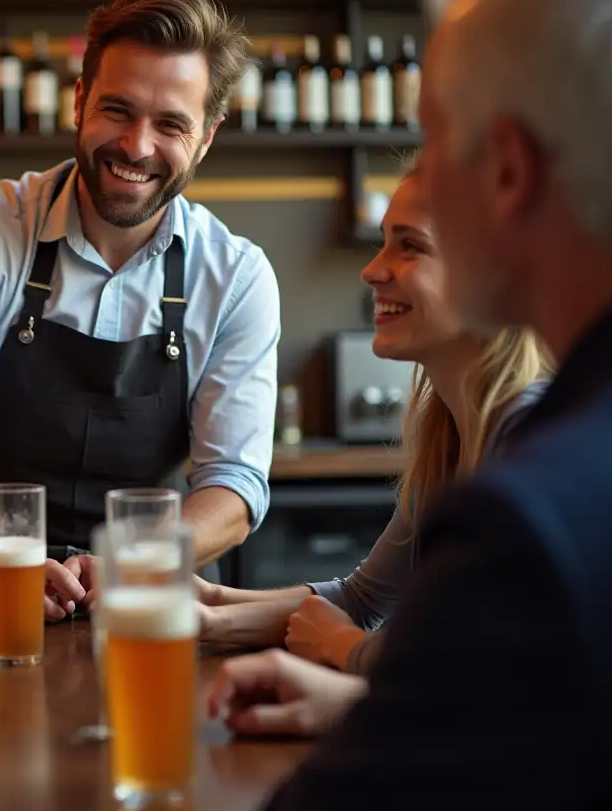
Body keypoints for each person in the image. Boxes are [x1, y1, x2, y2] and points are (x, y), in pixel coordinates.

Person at [209, 0, 612, 808]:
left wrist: (365, 685)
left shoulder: (537, 515)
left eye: (437, 144)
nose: (377, 262)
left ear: (507, 172)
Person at [0, 0, 282, 619]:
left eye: (171, 124)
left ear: (207, 137)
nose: (136, 146)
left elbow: (233, 485)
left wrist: (136, 558)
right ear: (79, 101)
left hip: (144, 607)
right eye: (118, 111)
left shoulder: (236, 277)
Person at [197, 156, 550, 673]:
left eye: (410, 246)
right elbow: (359, 601)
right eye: (384, 240)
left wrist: (345, 648)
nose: (371, 269)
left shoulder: (530, 437)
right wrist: (210, 609)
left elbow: (486, 660)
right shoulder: (448, 435)